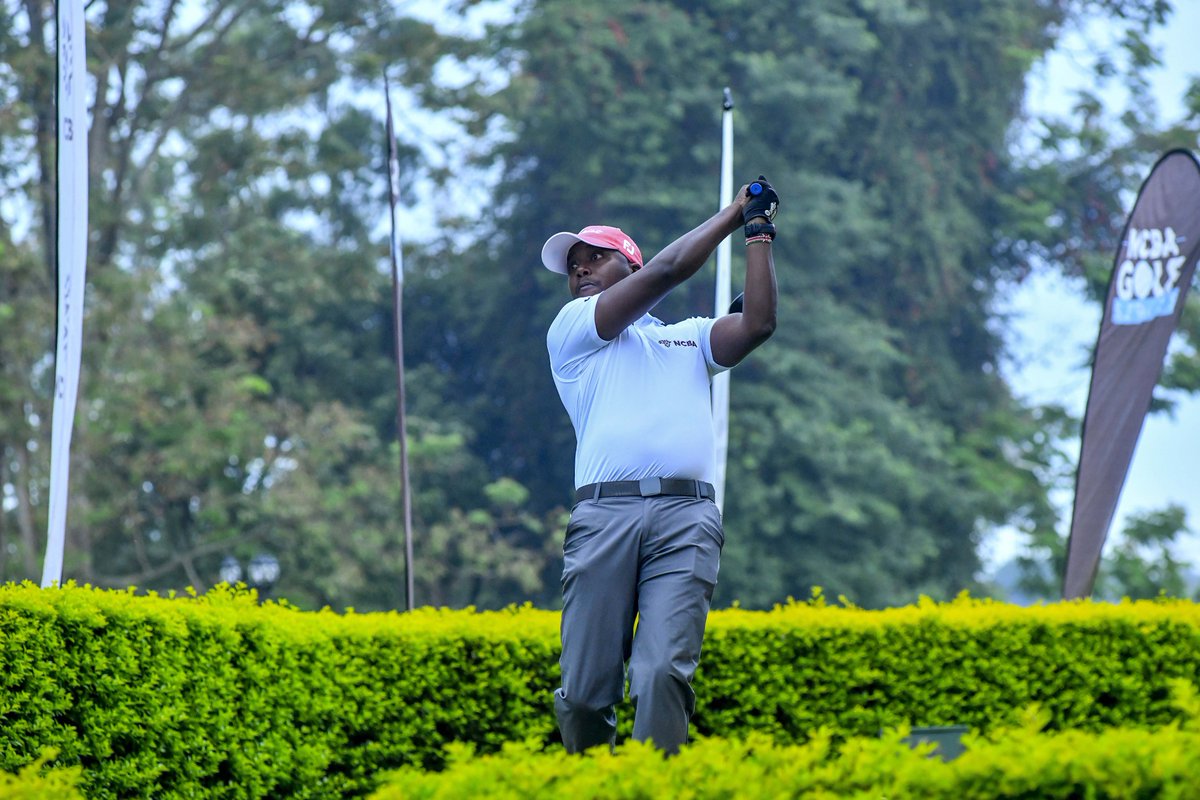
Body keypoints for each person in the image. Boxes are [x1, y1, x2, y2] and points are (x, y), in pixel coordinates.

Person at [541, 176, 780, 754]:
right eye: (575, 265)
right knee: (584, 693)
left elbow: (757, 325)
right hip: (604, 518)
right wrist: (733, 211)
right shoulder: (573, 330)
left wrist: (758, 234)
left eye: (596, 258)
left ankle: (654, 789)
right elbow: (671, 270)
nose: (581, 270)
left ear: (630, 267)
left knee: (661, 674)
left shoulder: (688, 339)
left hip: (686, 518)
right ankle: (589, 790)